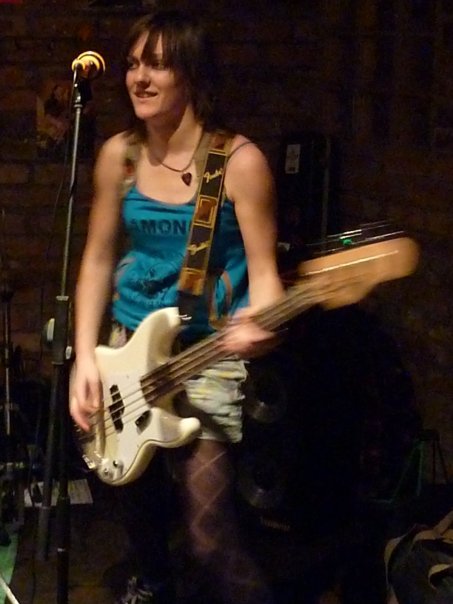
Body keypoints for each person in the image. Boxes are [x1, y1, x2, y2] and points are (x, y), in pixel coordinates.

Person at [70, 8, 284, 604]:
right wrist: (85, 356)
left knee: (208, 535)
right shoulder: (120, 156)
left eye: (158, 65)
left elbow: (267, 278)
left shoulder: (239, 162)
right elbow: (96, 259)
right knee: (136, 509)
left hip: (206, 355)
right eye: (133, 64)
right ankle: (154, 584)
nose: (138, 78)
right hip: (126, 351)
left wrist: (263, 324)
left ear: (192, 75)